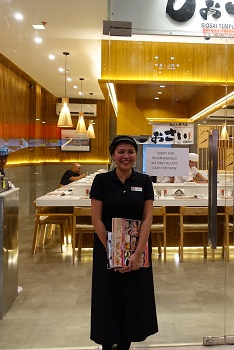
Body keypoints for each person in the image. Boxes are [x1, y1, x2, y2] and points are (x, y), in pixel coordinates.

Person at [89, 135, 158, 350]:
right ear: (113, 155)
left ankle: (125, 345)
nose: (125, 156)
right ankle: (106, 344)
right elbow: (96, 219)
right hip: (106, 249)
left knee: (132, 298)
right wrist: (114, 253)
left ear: (136, 155)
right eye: (121, 152)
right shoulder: (101, 181)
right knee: (108, 296)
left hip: (137, 249)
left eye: (130, 151)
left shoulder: (144, 181)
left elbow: (147, 218)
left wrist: (136, 253)